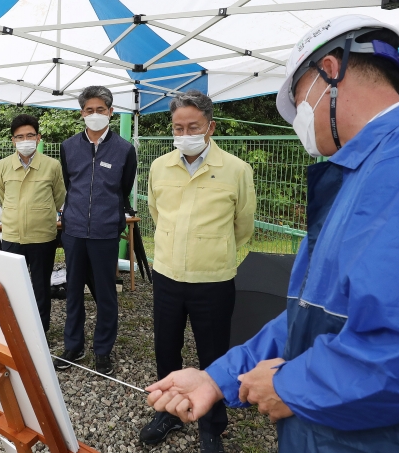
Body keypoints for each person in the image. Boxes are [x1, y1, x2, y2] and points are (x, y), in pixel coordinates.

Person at [145, 15, 399, 452]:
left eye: (297, 101)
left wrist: (291, 384)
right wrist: (217, 377)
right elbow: (311, 318)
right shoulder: (356, 172)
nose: (299, 120)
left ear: (330, 70)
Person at [140, 90, 255, 452]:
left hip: (214, 280)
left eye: (193, 126)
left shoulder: (236, 169)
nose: (185, 133)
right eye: (178, 127)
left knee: (214, 354)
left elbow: (243, 226)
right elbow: (157, 215)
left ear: (210, 127)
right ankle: (168, 412)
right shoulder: (160, 167)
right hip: (168, 276)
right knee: (166, 348)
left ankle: (212, 424)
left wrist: (211, 251)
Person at [53, 86, 137, 375]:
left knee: (105, 293)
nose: (95, 115)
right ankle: (73, 346)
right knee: (73, 291)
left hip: (105, 232)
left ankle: (103, 350)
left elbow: (122, 189)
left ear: (111, 112)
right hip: (74, 230)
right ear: (81, 114)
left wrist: (109, 216)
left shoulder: (125, 149)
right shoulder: (68, 147)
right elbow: (69, 182)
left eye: (101, 109)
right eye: (89, 110)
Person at [0, 114, 66, 333]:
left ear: (38, 137)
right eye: (19, 137)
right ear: (13, 140)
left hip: (42, 236)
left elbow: (59, 197)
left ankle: (40, 330)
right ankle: (15, 329)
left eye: (29, 135)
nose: (25, 140)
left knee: (41, 286)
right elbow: (2, 195)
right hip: (12, 236)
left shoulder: (52, 166)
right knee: (12, 286)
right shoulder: (2, 165)